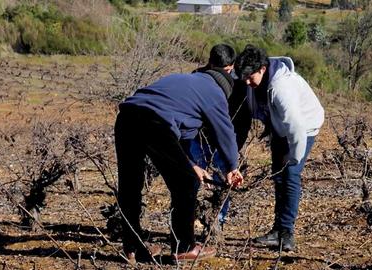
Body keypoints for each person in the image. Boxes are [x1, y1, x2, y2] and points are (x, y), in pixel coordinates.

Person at [114, 55, 244, 264]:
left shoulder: (184, 81)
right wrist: (232, 166)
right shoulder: (215, 91)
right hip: (154, 122)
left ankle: (132, 247)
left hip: (127, 117)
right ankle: (185, 247)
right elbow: (226, 131)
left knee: (130, 185)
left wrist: (192, 165)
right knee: (186, 183)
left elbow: (177, 141)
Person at [234, 45, 324, 252]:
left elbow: (297, 128)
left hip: (305, 128)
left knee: (290, 175)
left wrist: (293, 157)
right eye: (243, 77)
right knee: (278, 176)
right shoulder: (254, 78)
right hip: (281, 128)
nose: (246, 82)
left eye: (250, 77)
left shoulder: (282, 87)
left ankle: (287, 234)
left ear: (262, 69)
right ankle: (277, 230)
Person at [184, 44, 250, 227]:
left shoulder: (240, 84)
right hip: (199, 139)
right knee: (192, 179)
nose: (226, 76)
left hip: (226, 142)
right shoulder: (197, 76)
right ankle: (187, 219)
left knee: (224, 182)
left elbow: (243, 118)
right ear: (210, 64)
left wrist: (236, 144)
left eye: (229, 70)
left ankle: (216, 221)